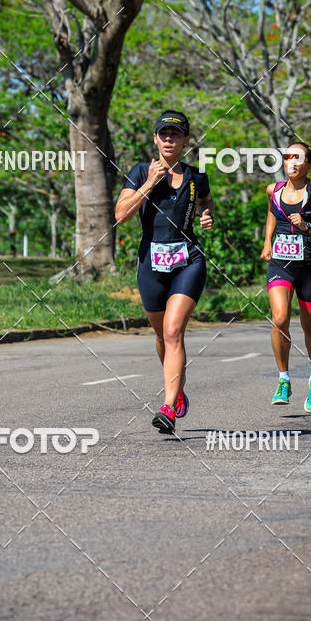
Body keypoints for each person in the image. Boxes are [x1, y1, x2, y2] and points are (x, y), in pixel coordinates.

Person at [115, 110, 214, 434]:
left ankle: (169, 407)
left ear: (186, 140)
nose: (169, 139)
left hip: (189, 261)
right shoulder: (141, 171)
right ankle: (178, 389)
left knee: (173, 332)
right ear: (155, 139)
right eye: (164, 134)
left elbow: (206, 202)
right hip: (151, 265)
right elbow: (120, 215)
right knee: (161, 336)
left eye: (176, 134)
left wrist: (206, 215)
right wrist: (149, 183)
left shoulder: (196, 177)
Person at [260, 141, 311, 412]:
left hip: (309, 268)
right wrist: (268, 241)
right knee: (280, 318)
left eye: (298, 158)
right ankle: (283, 379)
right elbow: (272, 213)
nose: (292, 162)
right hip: (281, 265)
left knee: (310, 327)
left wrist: (308, 226)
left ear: (309, 164)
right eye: (287, 157)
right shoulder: (274, 189)